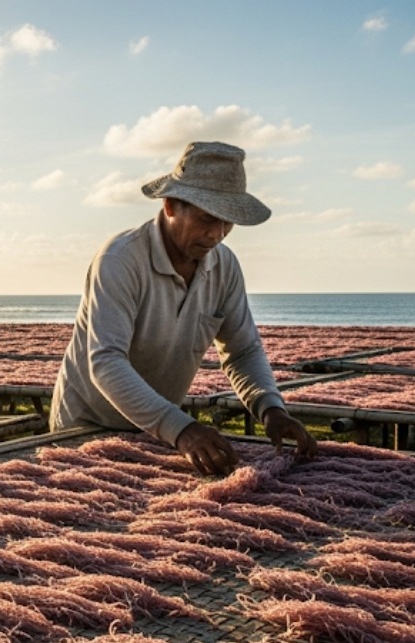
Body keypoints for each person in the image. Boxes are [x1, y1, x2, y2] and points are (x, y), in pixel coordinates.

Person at [50, 140, 317, 476]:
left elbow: (243, 351)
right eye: (207, 219)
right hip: (88, 426)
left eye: (228, 223)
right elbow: (106, 362)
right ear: (171, 206)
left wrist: (271, 409)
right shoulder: (120, 260)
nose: (217, 234)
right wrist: (182, 428)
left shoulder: (224, 266)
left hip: (157, 433)